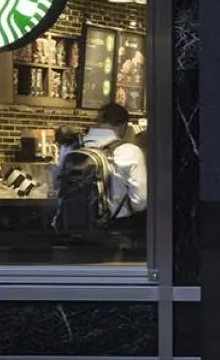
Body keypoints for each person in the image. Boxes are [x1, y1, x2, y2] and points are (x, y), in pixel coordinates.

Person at [48, 103, 147, 253]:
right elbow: (140, 202)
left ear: (97, 122)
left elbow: (56, 185)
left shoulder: (71, 148)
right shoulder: (130, 152)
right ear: (124, 126)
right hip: (113, 235)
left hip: (72, 233)